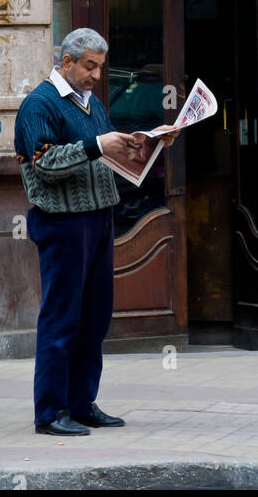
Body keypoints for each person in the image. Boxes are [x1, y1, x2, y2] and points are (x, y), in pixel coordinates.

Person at [14, 27, 179, 436]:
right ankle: (50, 413)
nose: (96, 75)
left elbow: (108, 155)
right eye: (89, 66)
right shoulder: (38, 105)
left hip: (99, 219)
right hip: (63, 224)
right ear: (65, 62)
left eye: (100, 67)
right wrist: (98, 146)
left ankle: (81, 404)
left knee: (94, 318)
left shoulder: (92, 104)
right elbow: (43, 165)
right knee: (61, 318)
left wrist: (149, 145)